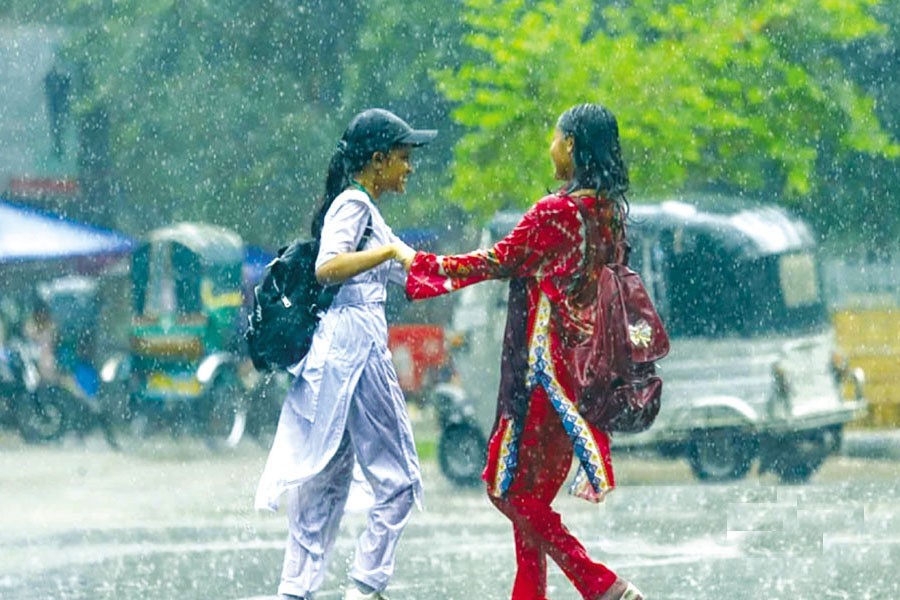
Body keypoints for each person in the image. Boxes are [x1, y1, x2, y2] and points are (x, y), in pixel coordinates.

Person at [405, 103, 644, 600]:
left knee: (507, 489)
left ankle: (599, 583)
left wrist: (412, 262)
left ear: (572, 145)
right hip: (586, 375)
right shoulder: (607, 215)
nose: (550, 147)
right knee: (528, 501)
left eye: (555, 138)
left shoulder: (557, 212)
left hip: (546, 374)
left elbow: (496, 260)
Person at [255, 108, 434, 600]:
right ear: (377, 160)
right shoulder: (353, 205)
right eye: (402, 158)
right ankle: (365, 586)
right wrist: (388, 254)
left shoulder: (365, 210)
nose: (409, 168)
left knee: (326, 480)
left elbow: (421, 274)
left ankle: (295, 591)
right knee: (399, 478)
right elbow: (328, 267)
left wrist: (497, 265)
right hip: (357, 346)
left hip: (338, 352)